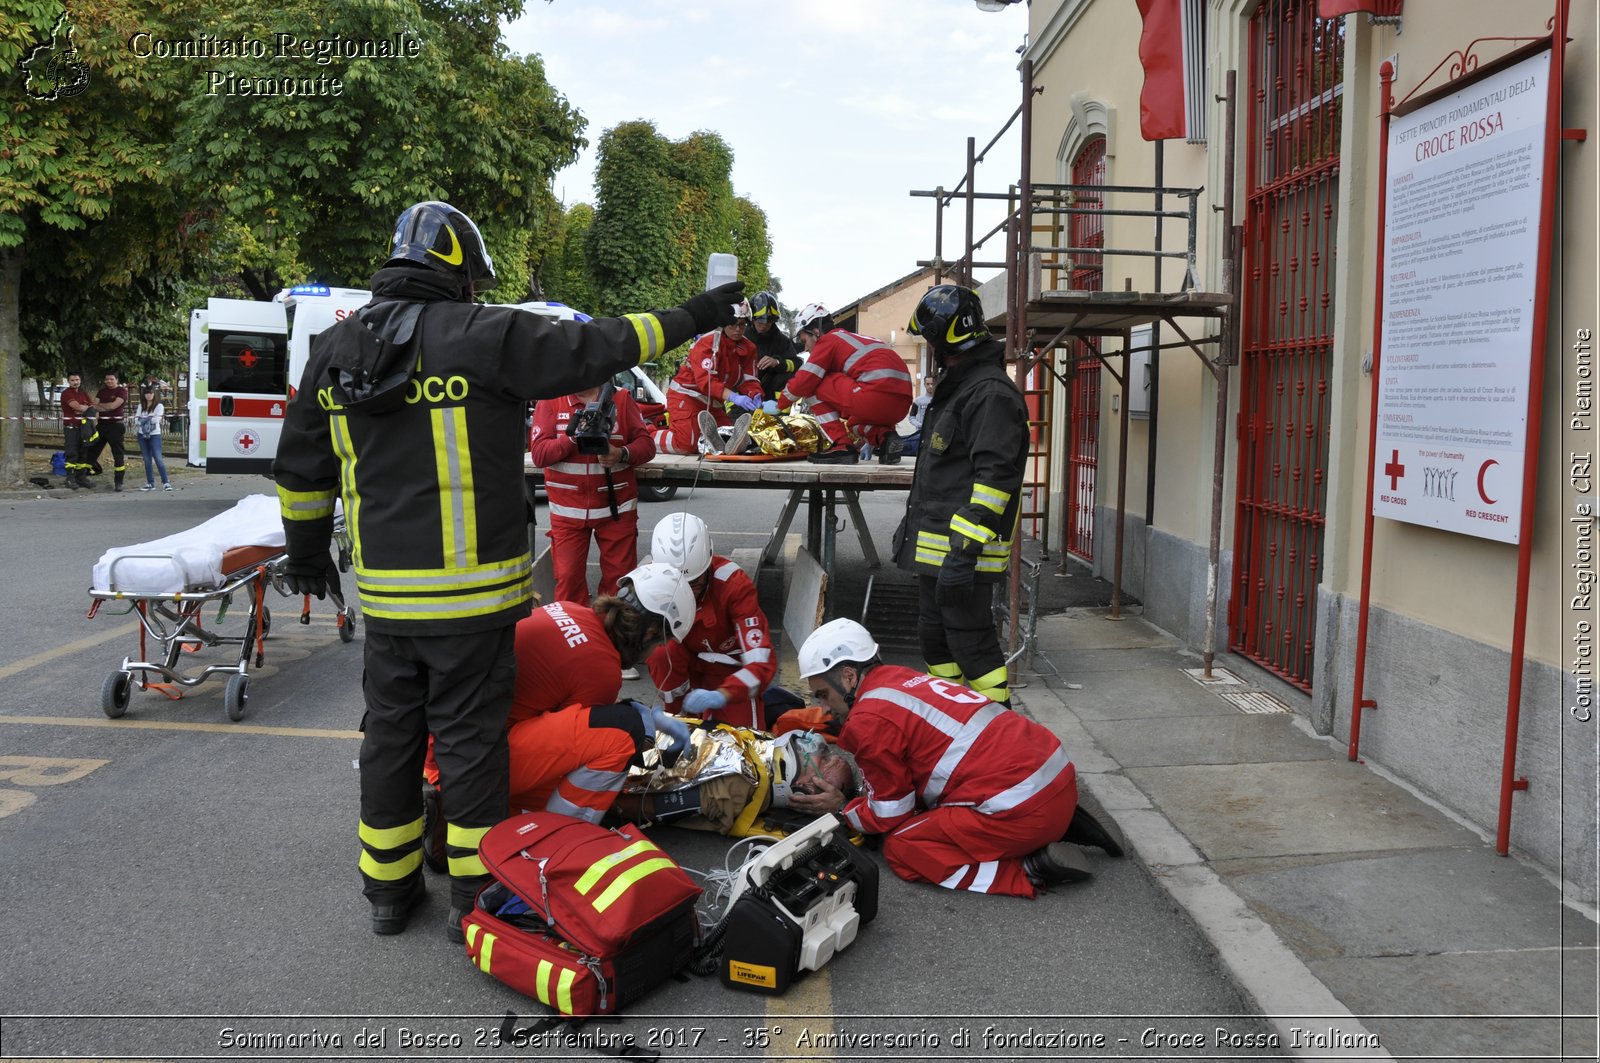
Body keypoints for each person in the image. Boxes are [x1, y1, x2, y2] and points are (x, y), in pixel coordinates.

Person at [272, 199, 744, 940]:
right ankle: (475, 893)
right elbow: (606, 344)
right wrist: (699, 312)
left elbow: (301, 470)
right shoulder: (487, 334)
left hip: (389, 604)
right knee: (470, 746)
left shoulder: (336, 352)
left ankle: (388, 894)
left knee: (390, 739)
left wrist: (305, 556)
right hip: (473, 605)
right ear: (460, 276)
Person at [788, 619, 1126, 898]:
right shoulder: (900, 677)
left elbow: (890, 814)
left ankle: (1030, 869)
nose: (823, 708)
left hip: (1024, 808)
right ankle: (1060, 823)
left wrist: (842, 810)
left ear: (848, 676)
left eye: (823, 694)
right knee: (930, 806)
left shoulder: (868, 720)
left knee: (903, 848)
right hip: (1054, 779)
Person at [419, 563, 699, 868]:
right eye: (660, 644)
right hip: (476, 763)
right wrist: (639, 720)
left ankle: (467, 811)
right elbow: (577, 741)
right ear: (648, 633)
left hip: (448, 748)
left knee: (605, 727)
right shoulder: (603, 671)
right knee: (621, 735)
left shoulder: (570, 610)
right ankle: (553, 841)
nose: (654, 653)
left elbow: (563, 706)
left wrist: (642, 711)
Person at [896, 285, 1028, 707]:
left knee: (972, 644)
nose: (930, 349)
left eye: (933, 340)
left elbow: (995, 481)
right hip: (940, 551)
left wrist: (963, 552)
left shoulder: (989, 394)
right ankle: (954, 715)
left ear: (950, 339)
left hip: (963, 555)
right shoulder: (961, 387)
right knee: (934, 638)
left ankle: (1001, 727)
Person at [529, 379, 656, 624]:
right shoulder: (551, 399)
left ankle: (610, 645)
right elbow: (540, 454)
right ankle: (574, 644)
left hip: (616, 510)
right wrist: (576, 436)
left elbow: (647, 445)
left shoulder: (620, 398)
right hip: (568, 513)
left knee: (619, 586)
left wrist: (621, 454)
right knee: (568, 581)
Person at [645, 511, 780, 730]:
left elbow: (761, 664)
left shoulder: (734, 587)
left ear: (708, 566)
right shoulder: (648, 584)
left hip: (729, 675)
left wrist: (724, 694)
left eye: (694, 582)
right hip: (686, 669)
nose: (686, 592)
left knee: (745, 743)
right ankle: (676, 714)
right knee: (659, 651)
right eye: (677, 585)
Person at [611, 725, 859, 837]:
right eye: (828, 753)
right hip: (628, 734)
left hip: (611, 765)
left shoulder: (736, 787)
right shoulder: (765, 745)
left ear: (804, 790)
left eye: (824, 759)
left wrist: (598, 805)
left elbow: (650, 807)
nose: (820, 745)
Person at [771, 302, 914, 466]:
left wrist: (779, 404)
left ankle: (841, 446)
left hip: (873, 398)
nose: (806, 348)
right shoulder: (858, 340)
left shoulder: (828, 340)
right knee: (853, 422)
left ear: (816, 332)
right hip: (902, 406)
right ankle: (886, 438)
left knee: (814, 385)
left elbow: (805, 379)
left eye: (805, 340)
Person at [652, 300, 761, 456]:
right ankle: (647, 435)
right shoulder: (708, 342)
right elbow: (706, 381)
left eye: (742, 325)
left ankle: (716, 440)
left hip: (713, 403)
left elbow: (750, 379)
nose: (738, 329)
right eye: (733, 324)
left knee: (727, 440)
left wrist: (755, 394)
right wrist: (734, 397)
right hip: (687, 396)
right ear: (724, 323)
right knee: (686, 445)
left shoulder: (748, 348)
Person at [748, 291, 800, 401]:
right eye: (760, 320)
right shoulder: (742, 338)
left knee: (786, 377)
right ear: (752, 318)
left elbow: (797, 364)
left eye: (769, 320)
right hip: (745, 394)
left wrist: (777, 362)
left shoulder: (782, 340)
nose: (764, 324)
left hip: (772, 399)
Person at [85, 370, 129, 492]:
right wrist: (102, 407)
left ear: (117, 380)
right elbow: (95, 405)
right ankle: (83, 475)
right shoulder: (102, 391)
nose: (109, 381)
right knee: (92, 449)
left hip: (116, 426)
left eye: (111, 379)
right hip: (102, 425)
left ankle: (119, 482)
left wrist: (100, 407)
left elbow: (113, 406)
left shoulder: (122, 391)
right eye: (107, 379)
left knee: (118, 454)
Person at [58, 372, 95, 490]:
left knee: (83, 453)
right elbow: (77, 407)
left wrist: (83, 409)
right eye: (73, 380)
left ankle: (81, 478)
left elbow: (92, 408)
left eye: (77, 379)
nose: (75, 382)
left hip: (83, 428)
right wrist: (83, 408)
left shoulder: (83, 393)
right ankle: (69, 478)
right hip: (71, 428)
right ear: (69, 381)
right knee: (72, 453)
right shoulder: (66, 393)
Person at [132, 385, 172, 492]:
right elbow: (137, 420)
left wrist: (144, 419)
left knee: (158, 459)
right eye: (146, 393)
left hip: (154, 434)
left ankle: (166, 482)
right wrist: (148, 418)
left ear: (154, 394)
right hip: (142, 435)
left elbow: (156, 420)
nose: (148, 395)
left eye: (151, 393)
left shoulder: (159, 406)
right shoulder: (141, 406)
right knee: (147, 460)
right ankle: (150, 483)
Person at [897, 374, 937, 457]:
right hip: (920, 433)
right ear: (924, 384)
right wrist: (919, 425)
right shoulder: (918, 401)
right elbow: (911, 417)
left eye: (932, 384)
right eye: (928, 384)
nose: (930, 386)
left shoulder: (940, 400)